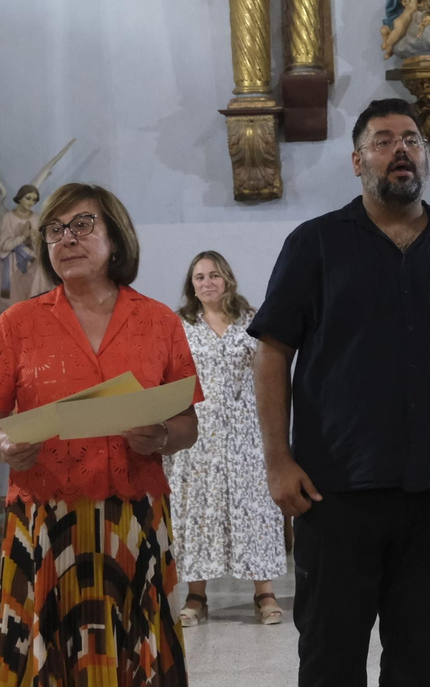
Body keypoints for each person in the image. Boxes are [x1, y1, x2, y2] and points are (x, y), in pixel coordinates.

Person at [252, 98, 430, 686]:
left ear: (425, 155)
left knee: (420, 659)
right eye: (383, 139)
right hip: (335, 489)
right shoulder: (315, 244)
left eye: (412, 139)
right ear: (357, 161)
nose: (401, 149)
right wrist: (277, 459)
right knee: (329, 657)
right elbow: (272, 351)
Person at [0, 183, 203, 686]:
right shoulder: (17, 324)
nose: (66, 238)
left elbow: (188, 424)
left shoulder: (160, 322)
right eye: (55, 230)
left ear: (115, 239)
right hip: (44, 519)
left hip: (133, 518)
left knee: (134, 653)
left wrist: (162, 436)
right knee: (46, 656)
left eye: (81, 225)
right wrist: (5, 446)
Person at [170, 250, 287, 627]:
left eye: (214, 275)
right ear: (192, 285)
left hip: (247, 432)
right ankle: (196, 596)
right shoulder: (180, 326)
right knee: (198, 513)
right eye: (200, 277)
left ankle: (264, 593)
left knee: (255, 510)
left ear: (227, 279)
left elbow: (271, 371)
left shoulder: (251, 321)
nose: (207, 282)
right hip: (197, 434)